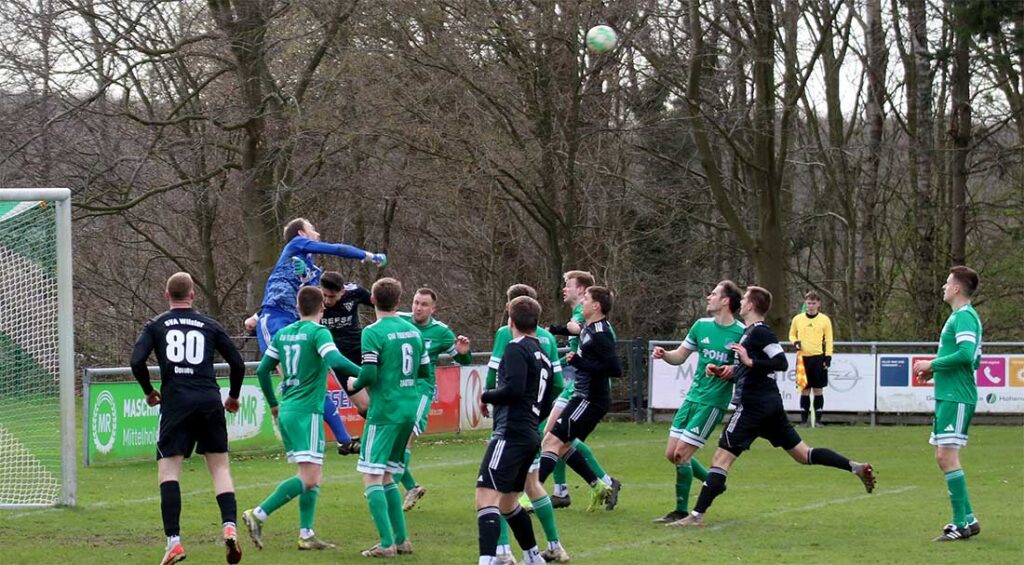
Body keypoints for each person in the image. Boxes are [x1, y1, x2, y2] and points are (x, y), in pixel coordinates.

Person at [669, 286, 876, 528]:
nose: (741, 302)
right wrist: (729, 371)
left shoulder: (760, 332)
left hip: (752, 407)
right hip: (769, 406)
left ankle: (695, 516)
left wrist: (748, 360)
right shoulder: (749, 333)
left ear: (751, 306)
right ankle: (855, 467)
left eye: (745, 299)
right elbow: (752, 369)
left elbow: (780, 361)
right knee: (804, 455)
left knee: (720, 460)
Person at [129, 272, 247, 565]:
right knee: (220, 469)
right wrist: (232, 395)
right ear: (193, 295)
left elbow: (136, 361)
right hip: (208, 400)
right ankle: (229, 526)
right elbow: (237, 362)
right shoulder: (209, 324)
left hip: (177, 403)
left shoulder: (156, 325)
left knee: (169, 472)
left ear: (166, 294)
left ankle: (174, 543)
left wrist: (148, 390)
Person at [245, 219, 385, 456]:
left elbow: (307, 297)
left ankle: (342, 440)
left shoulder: (313, 272)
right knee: (293, 378)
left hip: (294, 322)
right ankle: (284, 418)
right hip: (276, 320)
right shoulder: (295, 245)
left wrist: (305, 279)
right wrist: (369, 255)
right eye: (313, 229)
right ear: (301, 233)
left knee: (313, 380)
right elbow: (338, 249)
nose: (317, 233)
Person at [242, 286, 362, 551]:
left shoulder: (283, 333)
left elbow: (263, 371)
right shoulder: (319, 332)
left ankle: (306, 534)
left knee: (311, 475)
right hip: (307, 411)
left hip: (288, 409)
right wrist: (366, 372)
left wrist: (274, 405)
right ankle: (258, 514)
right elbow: (336, 360)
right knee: (309, 477)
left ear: (297, 308)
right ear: (322, 308)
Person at [485, 284, 571, 564]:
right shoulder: (545, 338)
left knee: (494, 488)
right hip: (532, 423)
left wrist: (486, 398)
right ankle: (554, 545)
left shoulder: (508, 338)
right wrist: (540, 414)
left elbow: (496, 374)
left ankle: (502, 552)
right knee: (532, 485)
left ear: (511, 314)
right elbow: (558, 383)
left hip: (510, 423)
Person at [346, 277, 430, 557]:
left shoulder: (372, 332)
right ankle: (402, 540)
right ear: (399, 301)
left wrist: (354, 384)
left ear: (372, 300)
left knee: (371, 475)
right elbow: (424, 373)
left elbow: (368, 373)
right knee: (387, 476)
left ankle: (385, 544)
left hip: (384, 412)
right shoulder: (414, 331)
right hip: (408, 410)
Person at [650, 281, 745, 524]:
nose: (708, 297)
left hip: (712, 402)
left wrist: (728, 370)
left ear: (725, 301)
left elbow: (743, 369)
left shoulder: (741, 333)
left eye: (713, 294)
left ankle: (681, 510)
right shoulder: (700, 326)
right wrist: (664, 355)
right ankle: (713, 481)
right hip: (692, 397)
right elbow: (680, 356)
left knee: (682, 454)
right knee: (671, 454)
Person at [912, 266, 983, 542]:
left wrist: (932, 364)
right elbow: (971, 358)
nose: (943, 286)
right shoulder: (960, 317)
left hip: (957, 395)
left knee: (946, 457)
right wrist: (935, 371)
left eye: (946, 282)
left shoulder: (964, 317)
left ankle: (959, 524)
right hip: (949, 393)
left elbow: (967, 356)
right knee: (943, 457)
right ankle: (968, 519)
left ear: (956, 288)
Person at [537, 286, 621, 512]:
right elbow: (573, 328)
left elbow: (615, 368)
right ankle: (598, 485)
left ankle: (533, 495)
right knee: (562, 445)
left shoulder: (601, 332)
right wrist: (554, 329)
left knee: (551, 442)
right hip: (581, 396)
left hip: (589, 399)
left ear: (596, 306)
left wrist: (580, 363)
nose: (582, 302)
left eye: (586, 299)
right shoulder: (588, 327)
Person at [397, 288, 473, 510]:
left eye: (423, 304)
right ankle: (410, 486)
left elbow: (463, 360)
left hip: (421, 389)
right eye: (415, 302)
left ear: (433, 309)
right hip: (398, 389)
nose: (418, 308)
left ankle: (387, 485)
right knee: (393, 441)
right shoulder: (399, 320)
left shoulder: (440, 331)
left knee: (407, 436)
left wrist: (464, 351)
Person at [319, 270, 373, 454]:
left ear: (342, 292)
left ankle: (383, 437)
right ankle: (377, 435)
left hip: (362, 352)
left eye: (331, 296)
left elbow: (380, 305)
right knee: (365, 406)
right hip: (339, 360)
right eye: (324, 294)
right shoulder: (315, 297)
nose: (326, 300)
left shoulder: (355, 292)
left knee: (381, 398)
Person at [788, 291, 834, 426]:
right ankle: (803, 421)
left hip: (818, 358)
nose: (811, 306)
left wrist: (828, 356)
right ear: (805, 303)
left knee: (818, 389)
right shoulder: (798, 319)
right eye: (809, 303)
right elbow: (791, 335)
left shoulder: (824, 320)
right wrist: (795, 342)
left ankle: (818, 421)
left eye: (814, 303)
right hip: (803, 359)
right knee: (804, 389)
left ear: (819, 304)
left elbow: (829, 339)